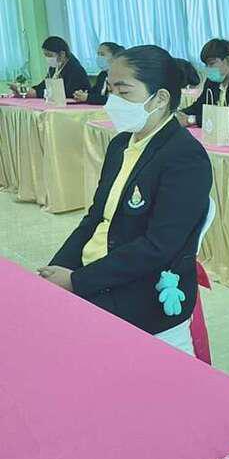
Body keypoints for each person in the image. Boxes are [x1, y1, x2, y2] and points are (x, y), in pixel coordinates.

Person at [39, 45, 212, 352]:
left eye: (123, 91)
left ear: (160, 98)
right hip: (101, 267)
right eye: (110, 89)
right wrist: (59, 267)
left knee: (57, 340)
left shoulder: (185, 157)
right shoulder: (121, 145)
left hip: (143, 286)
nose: (113, 101)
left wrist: (77, 281)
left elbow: (158, 247)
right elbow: (96, 217)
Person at [10, 36, 91, 99]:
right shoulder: (54, 67)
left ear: (62, 54)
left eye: (49, 55)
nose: (47, 58)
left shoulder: (75, 69)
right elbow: (44, 85)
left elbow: (67, 93)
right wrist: (26, 90)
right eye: (45, 55)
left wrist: (37, 94)